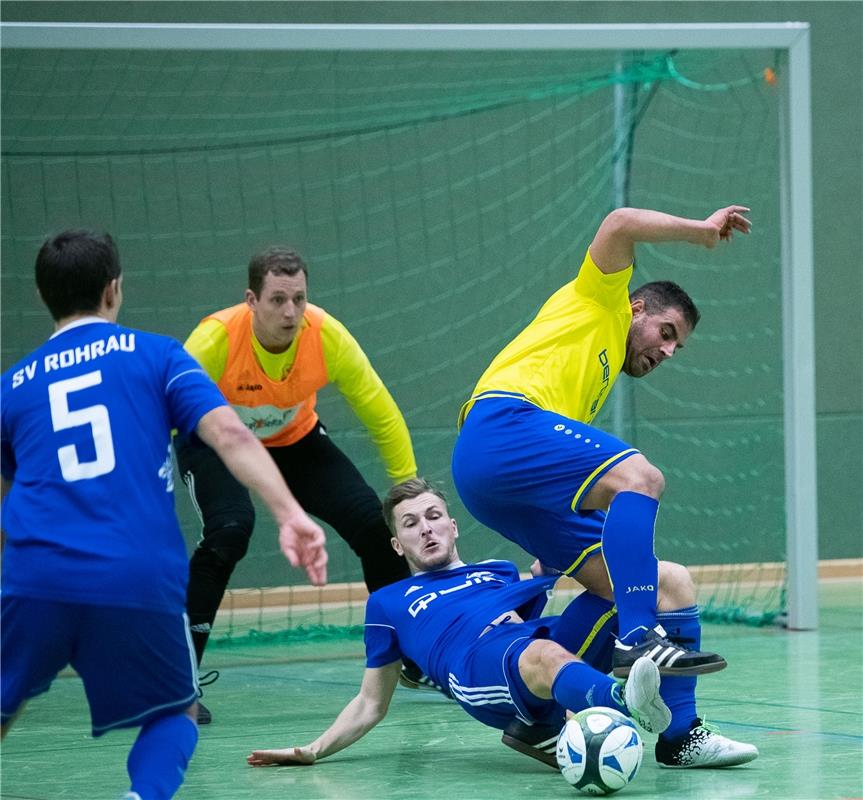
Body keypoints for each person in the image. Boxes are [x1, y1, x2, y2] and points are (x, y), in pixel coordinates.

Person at [0, 231, 328, 800]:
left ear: (42, 295)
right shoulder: (157, 355)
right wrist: (289, 512)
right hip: (135, 573)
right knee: (175, 713)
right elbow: (227, 432)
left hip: (36, 575)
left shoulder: (12, 387)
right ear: (114, 289)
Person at [451, 205, 760, 766]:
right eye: (666, 333)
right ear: (636, 307)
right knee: (641, 476)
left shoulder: (590, 383)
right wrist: (701, 232)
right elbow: (620, 222)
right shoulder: (602, 299)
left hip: (509, 483)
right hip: (500, 427)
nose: (667, 351)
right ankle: (636, 638)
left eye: (677, 347)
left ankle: (660, 733)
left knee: (668, 582)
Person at [246, 478, 674, 771]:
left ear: (453, 527)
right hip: (471, 667)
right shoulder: (387, 603)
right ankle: (625, 700)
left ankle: (683, 729)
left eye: (433, 517)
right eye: (411, 524)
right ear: (397, 544)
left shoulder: (500, 571)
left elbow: (537, 607)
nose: (426, 530)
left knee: (635, 587)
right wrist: (313, 750)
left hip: (524, 646)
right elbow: (370, 702)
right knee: (542, 656)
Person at [175, 246, 421, 723]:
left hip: (296, 439)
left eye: (300, 299)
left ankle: (410, 656)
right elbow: (160, 409)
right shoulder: (215, 340)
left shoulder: (325, 335)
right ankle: (176, 684)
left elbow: (381, 412)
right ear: (252, 300)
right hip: (215, 442)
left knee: (374, 527)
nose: (291, 312)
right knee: (230, 529)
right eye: (277, 300)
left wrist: (408, 492)